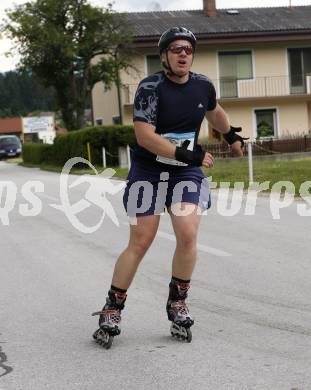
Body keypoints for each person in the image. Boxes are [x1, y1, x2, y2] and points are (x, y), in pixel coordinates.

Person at [92, 26, 247, 347]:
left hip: (184, 174)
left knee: (188, 233)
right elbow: (145, 137)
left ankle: (177, 301)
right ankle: (112, 308)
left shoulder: (202, 85)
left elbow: (214, 111)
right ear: (164, 55)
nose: (182, 54)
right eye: (176, 49)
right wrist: (188, 154)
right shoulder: (150, 88)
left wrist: (230, 133)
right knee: (142, 240)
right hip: (148, 171)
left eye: (188, 50)